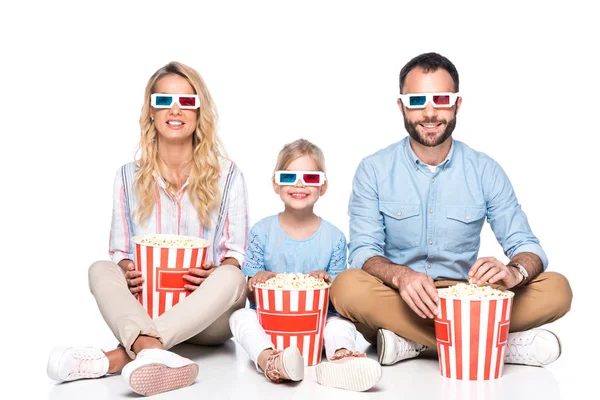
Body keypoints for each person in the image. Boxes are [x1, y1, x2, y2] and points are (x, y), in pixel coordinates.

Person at [330, 52, 573, 368]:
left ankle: (412, 342)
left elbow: (527, 247)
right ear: (402, 106)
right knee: (347, 287)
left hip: (470, 298)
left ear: (457, 104)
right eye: (417, 101)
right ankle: (500, 345)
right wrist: (400, 276)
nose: (429, 113)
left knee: (557, 288)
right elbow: (363, 251)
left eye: (441, 100)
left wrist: (513, 272)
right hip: (400, 300)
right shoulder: (373, 169)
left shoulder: (485, 170)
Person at [46, 62, 249, 396]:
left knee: (233, 278)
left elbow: (235, 254)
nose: (175, 110)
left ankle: (116, 357)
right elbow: (121, 253)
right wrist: (126, 270)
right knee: (101, 269)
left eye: (186, 101)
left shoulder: (228, 176)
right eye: (164, 100)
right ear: (151, 111)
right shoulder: (127, 177)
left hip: (208, 317)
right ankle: (152, 350)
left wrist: (218, 272)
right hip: (147, 306)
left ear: (199, 112)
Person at [229, 139, 382, 392]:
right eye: (289, 177)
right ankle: (271, 359)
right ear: (275, 184)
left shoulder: (334, 237)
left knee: (341, 324)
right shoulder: (261, 231)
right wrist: (257, 280)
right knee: (240, 316)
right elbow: (248, 289)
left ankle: (342, 358)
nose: (299, 184)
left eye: (310, 178)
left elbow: (339, 295)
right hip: (271, 324)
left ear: (323, 186)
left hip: (316, 324)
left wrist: (327, 281)